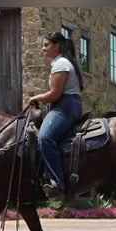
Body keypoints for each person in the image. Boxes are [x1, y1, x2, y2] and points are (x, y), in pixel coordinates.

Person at [26, 31, 84, 199]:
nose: (43, 48)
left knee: (45, 137)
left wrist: (35, 97)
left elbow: (54, 95)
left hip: (65, 106)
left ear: (57, 46)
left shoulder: (61, 64)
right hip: (65, 105)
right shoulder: (59, 63)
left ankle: (58, 183)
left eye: (46, 45)